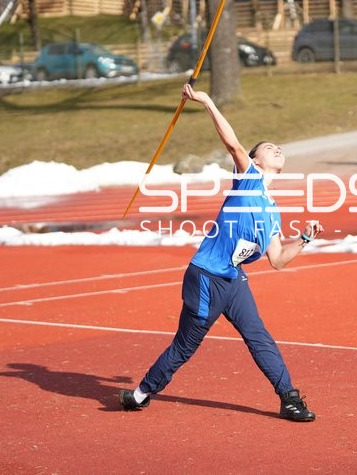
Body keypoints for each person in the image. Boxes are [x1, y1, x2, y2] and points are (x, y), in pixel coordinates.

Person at [119, 83, 324, 422]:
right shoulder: (248, 179)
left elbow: (278, 260)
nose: (276, 149)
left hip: (233, 281)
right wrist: (207, 101)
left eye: (279, 148)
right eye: (268, 148)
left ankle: (289, 398)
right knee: (185, 346)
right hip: (205, 277)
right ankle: (142, 393)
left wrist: (304, 238)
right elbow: (233, 143)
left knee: (259, 336)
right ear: (254, 161)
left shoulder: (272, 210)